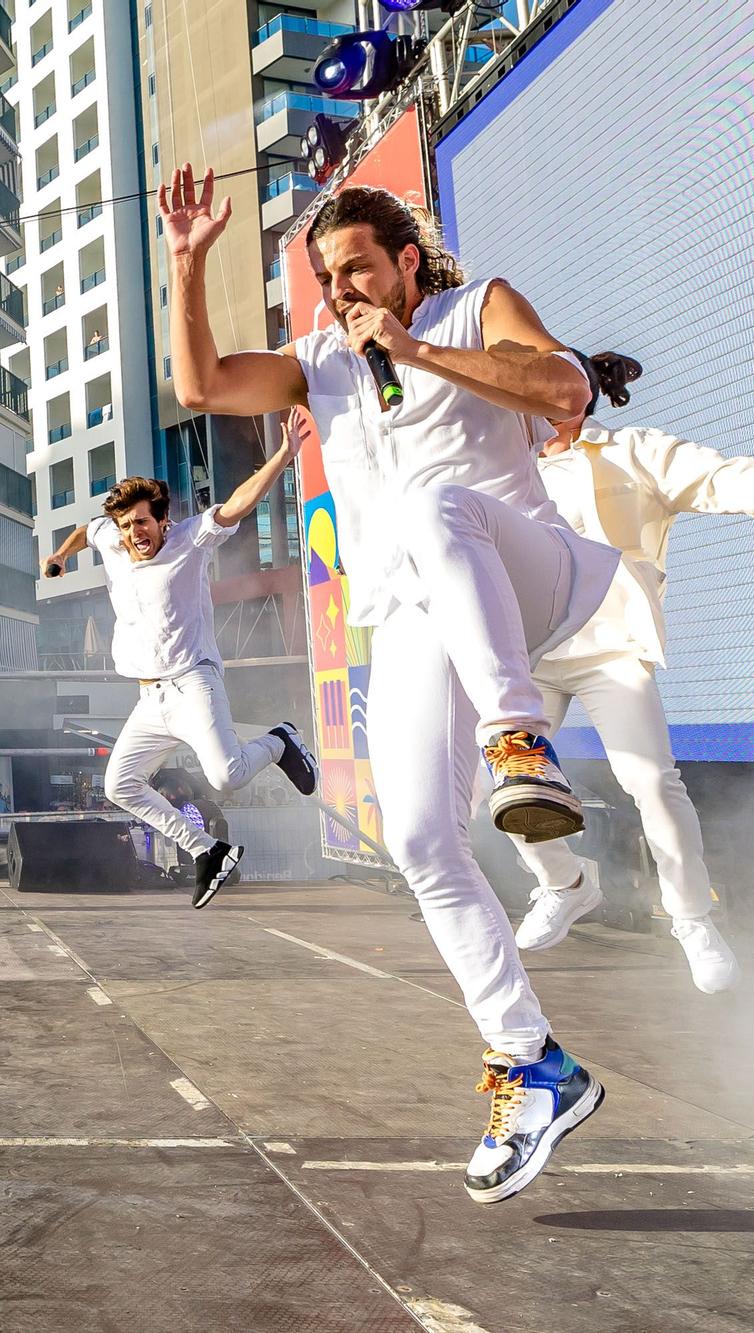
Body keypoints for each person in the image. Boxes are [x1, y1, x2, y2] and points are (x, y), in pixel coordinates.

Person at [160, 165, 618, 1204]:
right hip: (418, 617)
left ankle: (518, 739)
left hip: (522, 571)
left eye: (356, 266)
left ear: (406, 261)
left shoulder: (473, 305)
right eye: (324, 277)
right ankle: (531, 1062)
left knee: (435, 503)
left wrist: (411, 350)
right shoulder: (318, 361)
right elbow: (201, 387)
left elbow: (562, 390)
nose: (339, 291)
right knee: (418, 840)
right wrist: (187, 264)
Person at [504, 383, 754, 991]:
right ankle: (565, 883)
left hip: (610, 649)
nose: (554, 398)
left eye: (567, 385)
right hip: (526, 653)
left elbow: (724, 478)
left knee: (653, 782)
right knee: (500, 786)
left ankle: (691, 918)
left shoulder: (632, 452)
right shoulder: (500, 464)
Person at [44, 455, 319, 909]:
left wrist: (284, 457)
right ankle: (206, 850)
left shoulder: (191, 539)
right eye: (129, 525)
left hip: (194, 683)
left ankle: (280, 741)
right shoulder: (111, 538)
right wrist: (59, 555)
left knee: (226, 777)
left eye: (144, 523)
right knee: (120, 785)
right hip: (149, 698)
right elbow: (85, 530)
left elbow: (235, 507)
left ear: (163, 521)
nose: (137, 534)